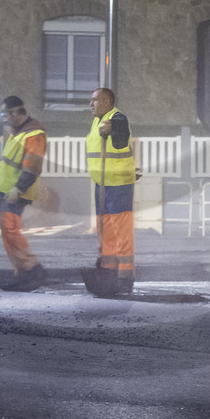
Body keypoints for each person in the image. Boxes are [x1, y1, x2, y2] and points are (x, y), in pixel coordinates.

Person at [0, 95, 49, 291]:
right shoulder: (19, 132)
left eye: (5, 114)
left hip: (15, 192)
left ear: (16, 112)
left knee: (11, 231)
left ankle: (32, 269)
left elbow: (32, 167)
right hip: (7, 191)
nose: (4, 118)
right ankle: (22, 272)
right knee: (8, 232)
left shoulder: (33, 135)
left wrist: (18, 189)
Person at [84, 87, 134, 297]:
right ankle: (108, 270)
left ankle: (124, 277)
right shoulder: (97, 121)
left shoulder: (117, 118)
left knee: (121, 231)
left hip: (119, 185)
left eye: (94, 100)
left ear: (106, 101)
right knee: (105, 230)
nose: (90, 104)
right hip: (102, 185)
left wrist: (112, 128)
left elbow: (121, 133)